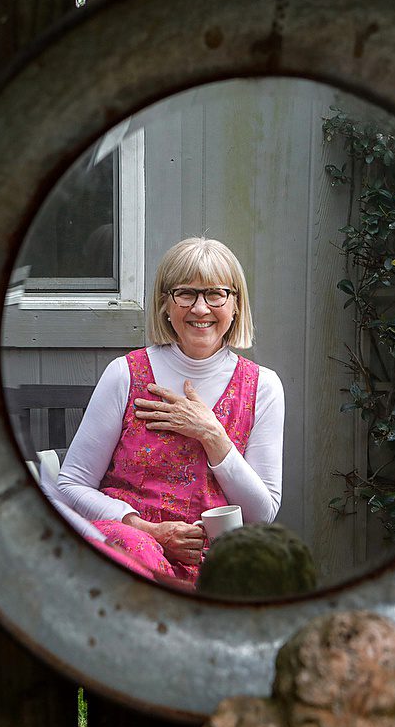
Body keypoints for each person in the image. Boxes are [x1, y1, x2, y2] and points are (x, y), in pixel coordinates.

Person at [56, 237, 284, 582]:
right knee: (135, 552)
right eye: (186, 293)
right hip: (130, 552)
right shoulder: (126, 374)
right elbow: (71, 485)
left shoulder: (263, 387)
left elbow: (261, 515)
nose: (200, 308)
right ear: (165, 303)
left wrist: (212, 433)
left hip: (216, 563)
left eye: (216, 294)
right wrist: (146, 528)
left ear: (236, 304)